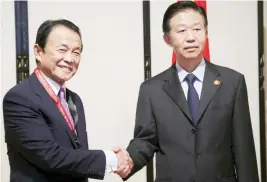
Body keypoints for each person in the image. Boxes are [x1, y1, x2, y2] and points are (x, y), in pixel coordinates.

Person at [116, 1, 259, 182]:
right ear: (167, 39)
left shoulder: (232, 82)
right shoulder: (152, 89)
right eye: (182, 31)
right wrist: (128, 160)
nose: (191, 37)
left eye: (197, 29)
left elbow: (243, 147)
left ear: (206, 33)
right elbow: (145, 140)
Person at [2, 19, 132, 182]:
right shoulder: (20, 98)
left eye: (76, 52)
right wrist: (110, 160)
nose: (70, 59)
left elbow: (77, 159)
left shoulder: (73, 99)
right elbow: (50, 157)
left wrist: (111, 165)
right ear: (38, 51)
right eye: (62, 50)